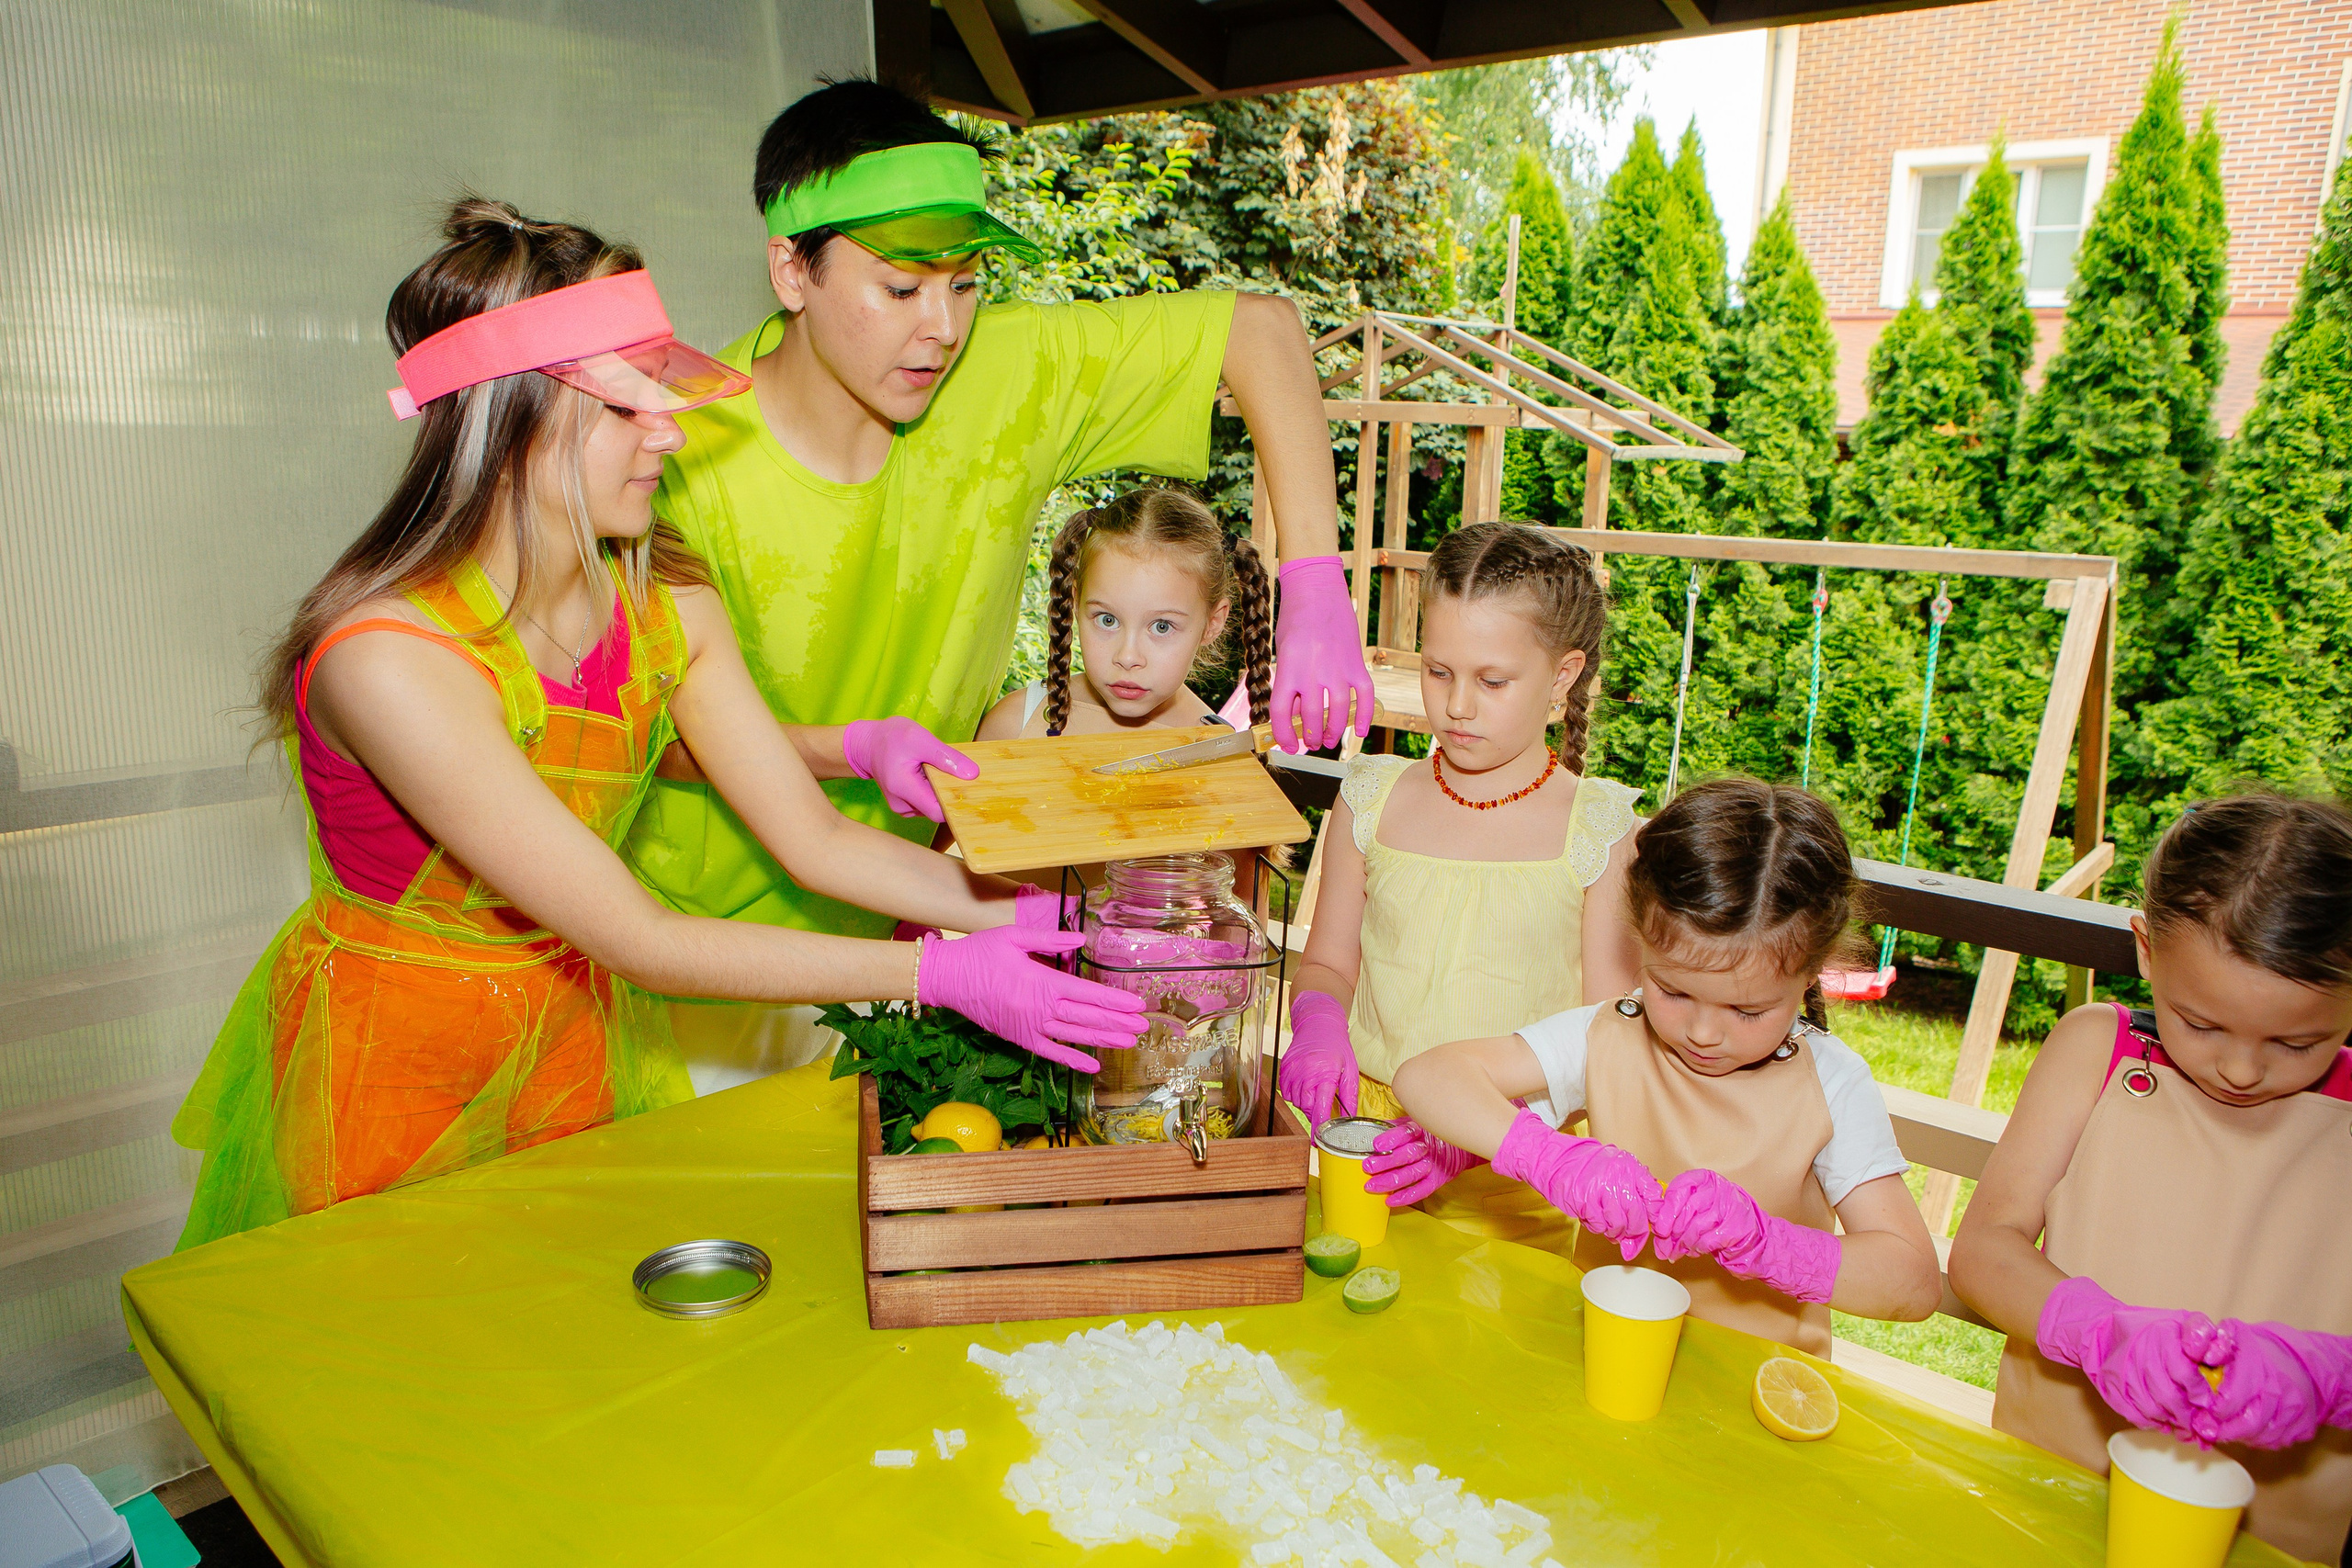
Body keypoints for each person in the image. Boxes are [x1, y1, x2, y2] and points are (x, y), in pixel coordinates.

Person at [169, 200, 1144, 1250]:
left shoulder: (662, 596)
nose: (671, 430)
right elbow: (640, 938)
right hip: (393, 1063)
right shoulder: (390, 661)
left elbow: (813, 840)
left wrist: (1053, 925)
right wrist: (939, 973)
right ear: (514, 416)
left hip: (569, 1038)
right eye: (628, 407)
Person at [621, 81, 1373, 1077]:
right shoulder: (674, 453)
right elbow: (645, 742)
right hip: (706, 954)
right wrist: (844, 752)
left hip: (929, 924)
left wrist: (1316, 582)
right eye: (901, 288)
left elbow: (1261, 331)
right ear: (789, 270)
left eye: (966, 283)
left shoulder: (1001, 374)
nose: (941, 327)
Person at [1374, 779, 1942, 1353]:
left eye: (1748, 1010)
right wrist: (1549, 1159)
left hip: (1754, 1394)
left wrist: (1767, 1245)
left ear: (1813, 971)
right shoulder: (1610, 1033)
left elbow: (1913, 1282)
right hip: (1600, 1356)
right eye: (1672, 991)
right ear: (1640, 941)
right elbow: (1429, 1077)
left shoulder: (1832, 1085)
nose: (1702, 1033)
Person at [1950, 796, 2352, 1562]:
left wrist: (2323, 1378)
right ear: (2145, 948)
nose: (2240, 1068)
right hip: (2045, 1487)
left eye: (2298, 1042)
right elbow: (1983, 1251)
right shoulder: (2097, 1052)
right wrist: (2101, 1334)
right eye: (2200, 1022)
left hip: (2276, 1538)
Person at [1276, 524, 1641, 1247]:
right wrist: (1317, 1025)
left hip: (1512, 1176)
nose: (1458, 706)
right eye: (1439, 671)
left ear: (1563, 676)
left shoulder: (1599, 829)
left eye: (1492, 680)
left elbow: (1606, 1041)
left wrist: (1473, 1135)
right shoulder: (1370, 796)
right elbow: (1327, 962)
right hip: (1362, 1152)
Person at [977, 484, 1271, 746]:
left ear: (1212, 623)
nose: (1128, 657)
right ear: (1076, 603)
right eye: (1108, 620)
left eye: (1162, 627)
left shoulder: (1218, 755)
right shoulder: (1013, 725)